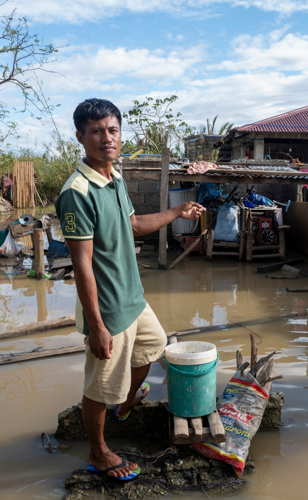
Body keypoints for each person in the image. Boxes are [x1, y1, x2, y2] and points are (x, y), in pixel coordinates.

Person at [55, 98, 205, 480]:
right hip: (107, 308)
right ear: (81, 137)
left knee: (153, 348)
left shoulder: (115, 178)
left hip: (133, 298)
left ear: (120, 133)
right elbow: (82, 264)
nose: (106, 138)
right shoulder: (78, 192)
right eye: (96, 131)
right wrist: (98, 325)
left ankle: (124, 405)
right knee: (100, 384)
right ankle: (99, 450)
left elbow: (134, 224)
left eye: (112, 130)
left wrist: (176, 212)